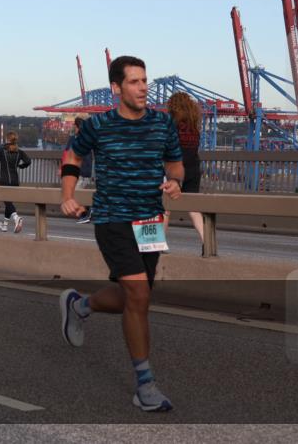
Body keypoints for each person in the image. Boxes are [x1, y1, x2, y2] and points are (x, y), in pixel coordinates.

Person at [58, 56, 184, 412]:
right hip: (113, 219)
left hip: (149, 222)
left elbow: (175, 162)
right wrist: (68, 196)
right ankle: (145, 385)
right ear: (117, 88)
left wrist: (175, 181)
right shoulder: (98, 125)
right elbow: (72, 156)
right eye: (134, 82)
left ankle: (79, 305)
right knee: (139, 293)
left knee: (136, 298)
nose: (143, 87)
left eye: (145, 80)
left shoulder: (163, 123)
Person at [166, 92, 204, 250]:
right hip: (194, 168)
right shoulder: (194, 126)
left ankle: (160, 244)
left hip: (176, 169)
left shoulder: (172, 124)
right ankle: (206, 242)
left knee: (165, 207)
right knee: (194, 209)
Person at [0, 131, 31, 233]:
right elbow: (28, 161)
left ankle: (16, 218)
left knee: (7, 202)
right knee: (8, 202)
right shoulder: (20, 152)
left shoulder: (2, 150)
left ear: (7, 139)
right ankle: (4, 225)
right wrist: (21, 166)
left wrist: (0, 149)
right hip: (15, 181)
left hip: (4, 180)